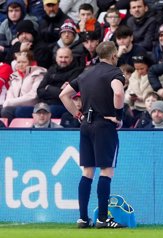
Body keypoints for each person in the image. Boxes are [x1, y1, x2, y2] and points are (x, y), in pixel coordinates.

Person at [59, 41, 126, 229]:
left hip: (86, 125)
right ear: (113, 56)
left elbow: (64, 95)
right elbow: (119, 94)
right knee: (106, 171)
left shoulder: (86, 73)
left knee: (87, 172)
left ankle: (82, 219)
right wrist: (118, 116)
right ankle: (103, 219)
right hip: (104, 124)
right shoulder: (114, 72)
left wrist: (78, 115)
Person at [37, 47, 84, 118]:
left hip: (63, 106)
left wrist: (48, 88)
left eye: (66, 57)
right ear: (56, 58)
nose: (63, 60)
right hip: (45, 104)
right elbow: (39, 91)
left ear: (71, 58)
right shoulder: (51, 69)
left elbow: (66, 94)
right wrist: (58, 90)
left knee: (49, 111)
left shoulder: (77, 71)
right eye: (61, 57)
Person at [1, 51, 47, 123]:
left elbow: (33, 96)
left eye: (24, 62)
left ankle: (10, 132)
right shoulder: (14, 76)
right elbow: (10, 93)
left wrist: (10, 102)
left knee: (10, 111)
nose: (20, 65)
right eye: (18, 62)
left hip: (33, 106)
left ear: (31, 63)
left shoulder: (38, 74)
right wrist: (8, 103)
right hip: (15, 105)